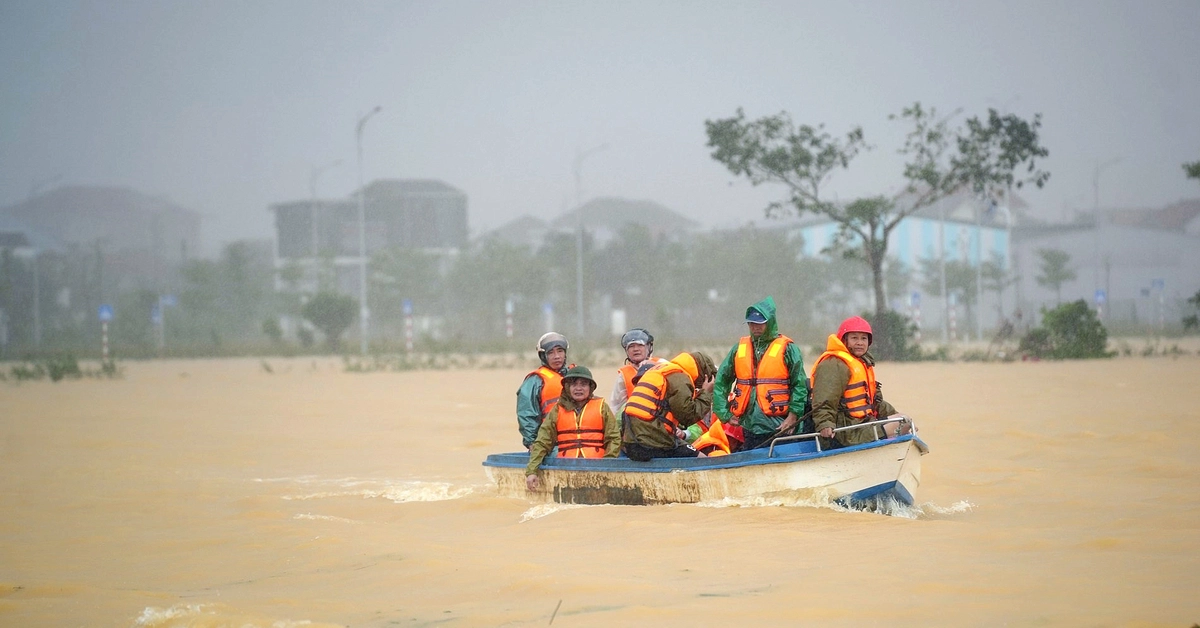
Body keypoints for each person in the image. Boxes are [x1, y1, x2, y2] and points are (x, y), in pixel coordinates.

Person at [712, 296, 810, 450]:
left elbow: (799, 385)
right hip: (750, 428)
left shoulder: (788, 349)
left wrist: (793, 416)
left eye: (760, 323)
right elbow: (722, 380)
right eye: (751, 323)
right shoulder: (739, 348)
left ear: (770, 322)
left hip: (780, 426)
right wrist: (724, 413)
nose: (755, 327)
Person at [809, 315, 912, 449]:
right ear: (844, 340)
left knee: (904, 420)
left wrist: (895, 414)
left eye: (864, 338)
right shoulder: (834, 364)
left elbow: (874, 402)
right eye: (854, 338)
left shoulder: (861, 363)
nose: (860, 342)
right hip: (846, 432)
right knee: (904, 424)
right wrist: (824, 424)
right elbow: (823, 400)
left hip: (862, 424)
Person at [525, 366, 621, 490]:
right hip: (566, 468)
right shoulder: (557, 410)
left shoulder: (602, 407)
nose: (578, 388)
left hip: (597, 468)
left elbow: (614, 439)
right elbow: (543, 442)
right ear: (567, 387)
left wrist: (607, 466)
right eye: (574, 384)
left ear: (590, 388)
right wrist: (532, 471)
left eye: (583, 384)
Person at [622, 351, 716, 461]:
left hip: (632, 443)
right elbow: (687, 416)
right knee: (703, 460)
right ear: (703, 374)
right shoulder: (679, 378)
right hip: (652, 443)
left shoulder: (662, 371)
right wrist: (705, 392)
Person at [515, 332, 571, 449]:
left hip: (575, 442)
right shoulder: (534, 381)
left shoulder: (576, 376)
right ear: (543, 356)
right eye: (551, 352)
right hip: (551, 445)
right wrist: (532, 443)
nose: (557, 356)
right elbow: (527, 414)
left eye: (560, 351)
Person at [609, 328, 668, 414]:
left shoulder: (662, 364)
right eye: (631, 346)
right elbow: (616, 408)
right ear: (627, 351)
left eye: (640, 345)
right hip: (637, 420)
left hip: (663, 417)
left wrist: (655, 366)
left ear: (649, 347)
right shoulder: (624, 375)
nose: (636, 349)